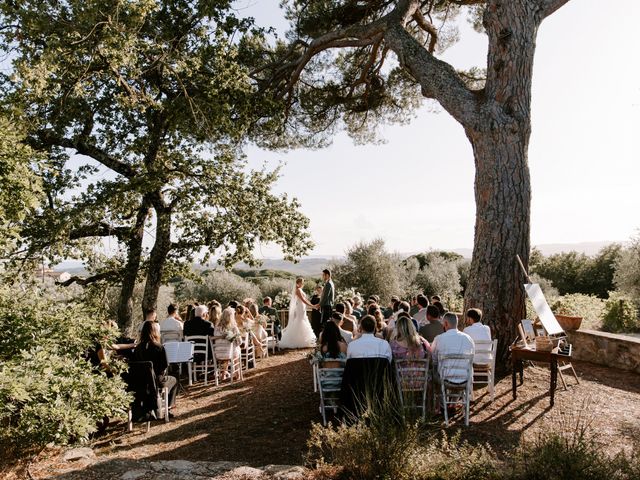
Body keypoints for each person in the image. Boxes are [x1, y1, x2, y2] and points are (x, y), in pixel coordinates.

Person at [133, 320, 178, 414]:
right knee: (174, 380)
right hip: (157, 381)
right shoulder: (159, 347)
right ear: (155, 332)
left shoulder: (137, 348)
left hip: (141, 382)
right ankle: (168, 407)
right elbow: (164, 367)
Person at [431, 313, 475, 384]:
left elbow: (434, 359)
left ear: (445, 323)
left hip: (445, 377)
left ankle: (439, 393)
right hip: (465, 378)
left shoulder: (439, 339)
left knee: (433, 370)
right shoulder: (468, 338)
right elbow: (472, 359)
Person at [278, 277, 317, 349]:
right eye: (301, 282)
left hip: (303, 308)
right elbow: (302, 300)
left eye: (302, 282)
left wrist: (312, 306)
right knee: (300, 321)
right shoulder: (298, 290)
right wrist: (312, 306)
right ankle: (298, 341)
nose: (302, 284)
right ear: (298, 283)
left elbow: (305, 299)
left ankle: (304, 340)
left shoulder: (300, 290)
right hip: (299, 307)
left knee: (303, 321)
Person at [214, 308, 242, 380]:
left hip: (218, 353)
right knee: (237, 350)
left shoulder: (217, 327)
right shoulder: (233, 327)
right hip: (229, 354)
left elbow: (214, 338)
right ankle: (238, 373)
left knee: (229, 350)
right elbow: (240, 342)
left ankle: (223, 375)